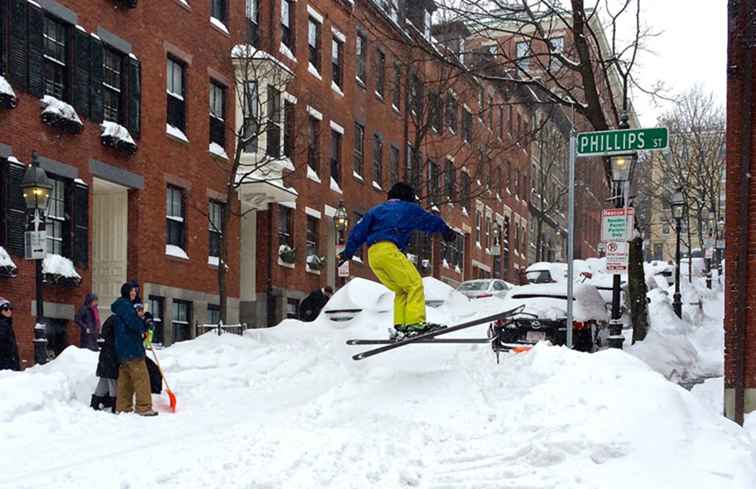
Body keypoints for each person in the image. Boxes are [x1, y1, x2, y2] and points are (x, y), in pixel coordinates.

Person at [336, 182, 455, 336]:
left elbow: (359, 231)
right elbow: (430, 220)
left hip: (373, 255)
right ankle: (415, 324)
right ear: (408, 197)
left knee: (401, 290)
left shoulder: (376, 210)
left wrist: (348, 252)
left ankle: (401, 325)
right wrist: (447, 232)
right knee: (414, 284)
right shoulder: (408, 208)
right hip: (389, 251)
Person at [112, 283, 157, 416]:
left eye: (135, 291)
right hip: (132, 347)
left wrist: (144, 317)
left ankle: (123, 407)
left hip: (122, 348)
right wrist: (145, 323)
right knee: (141, 378)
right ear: (125, 292)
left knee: (125, 379)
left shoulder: (122, 306)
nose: (134, 293)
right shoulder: (126, 306)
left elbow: (134, 319)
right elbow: (134, 323)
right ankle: (144, 407)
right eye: (131, 291)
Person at [91, 313, 118, 411]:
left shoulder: (112, 319)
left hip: (105, 356)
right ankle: (115, 405)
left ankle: (95, 403)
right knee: (112, 381)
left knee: (104, 381)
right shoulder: (118, 320)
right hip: (112, 357)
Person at [0, 298, 21, 371]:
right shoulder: (2, 324)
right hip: (4, 366)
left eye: (10, 308)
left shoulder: (7, 324)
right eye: (5, 309)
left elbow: (13, 346)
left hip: (10, 364)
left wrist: (17, 366)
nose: (9, 311)